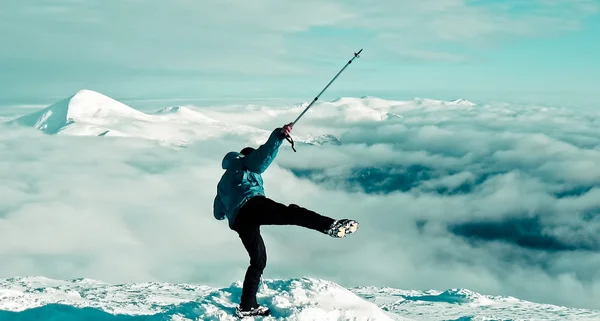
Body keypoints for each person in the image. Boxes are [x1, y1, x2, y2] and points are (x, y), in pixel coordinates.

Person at [213, 122, 359, 318]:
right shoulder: (245, 162)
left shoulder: (222, 182)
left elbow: (218, 212)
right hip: (252, 205)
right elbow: (261, 158)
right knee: (292, 213)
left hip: (239, 221)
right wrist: (278, 136)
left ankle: (247, 306)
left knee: (258, 261)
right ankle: (330, 226)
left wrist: (229, 207)